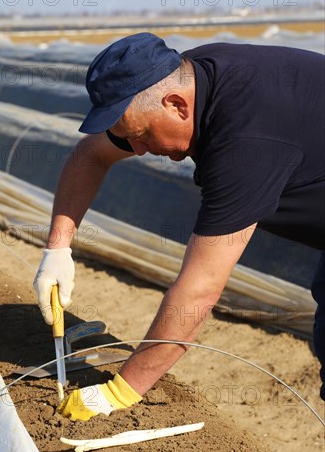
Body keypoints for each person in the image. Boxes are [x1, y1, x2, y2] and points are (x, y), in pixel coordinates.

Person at [33, 32, 325, 419]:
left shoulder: (245, 144)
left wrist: (120, 393)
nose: (135, 150)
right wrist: (58, 248)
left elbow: (199, 293)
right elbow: (91, 154)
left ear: (176, 105)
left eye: (139, 136)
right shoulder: (181, 78)